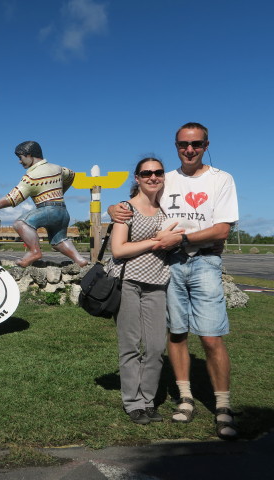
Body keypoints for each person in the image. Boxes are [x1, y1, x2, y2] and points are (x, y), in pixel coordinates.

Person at [108, 122, 239, 440]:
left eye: (196, 144)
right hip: (170, 267)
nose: (189, 149)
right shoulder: (167, 180)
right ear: (176, 145)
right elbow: (139, 200)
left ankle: (222, 405)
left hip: (204, 262)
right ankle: (185, 398)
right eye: (183, 144)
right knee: (177, 334)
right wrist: (113, 209)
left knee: (210, 337)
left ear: (206, 145)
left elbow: (222, 230)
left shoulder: (221, 179)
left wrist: (183, 240)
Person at [105, 157, 182, 425]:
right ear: (136, 178)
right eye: (146, 173)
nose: (153, 177)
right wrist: (155, 241)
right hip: (128, 282)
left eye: (158, 172)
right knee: (130, 344)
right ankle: (133, 402)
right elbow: (119, 249)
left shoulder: (167, 210)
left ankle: (148, 400)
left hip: (157, 283)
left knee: (156, 347)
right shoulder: (125, 209)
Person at [0, 141, 87, 267]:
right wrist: (61, 192)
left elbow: (13, 198)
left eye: (20, 158)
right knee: (59, 241)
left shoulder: (32, 176)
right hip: (63, 212)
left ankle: (34, 252)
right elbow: (71, 175)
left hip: (48, 210)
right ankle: (80, 260)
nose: (19, 162)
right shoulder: (58, 168)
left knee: (21, 223)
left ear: (29, 155)